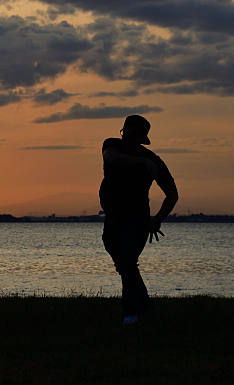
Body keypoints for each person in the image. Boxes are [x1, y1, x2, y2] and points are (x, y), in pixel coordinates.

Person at [100, 114, 178, 324]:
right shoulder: (112, 145)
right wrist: (142, 161)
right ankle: (147, 307)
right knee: (126, 266)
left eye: (134, 134)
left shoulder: (155, 161)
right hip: (113, 217)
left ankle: (130, 314)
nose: (127, 137)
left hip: (138, 220)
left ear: (142, 137)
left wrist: (158, 219)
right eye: (125, 132)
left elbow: (172, 194)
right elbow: (112, 158)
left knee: (127, 262)